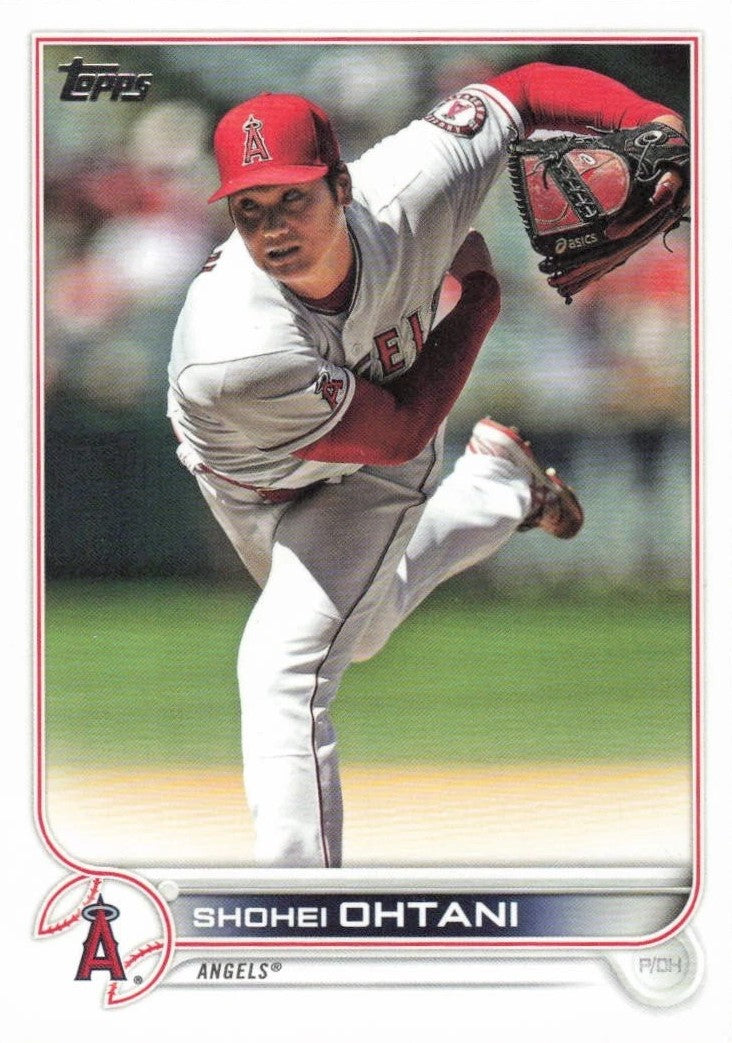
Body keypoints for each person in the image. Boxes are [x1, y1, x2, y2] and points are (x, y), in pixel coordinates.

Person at [167, 62, 686, 867]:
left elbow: (523, 92)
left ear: (342, 186)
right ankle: (494, 486)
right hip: (260, 478)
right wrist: (477, 307)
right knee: (360, 630)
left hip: (378, 462)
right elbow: (397, 429)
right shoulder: (235, 345)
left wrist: (655, 119)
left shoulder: (413, 185)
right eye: (249, 207)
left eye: (293, 197)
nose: (274, 228)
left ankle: (300, 904)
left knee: (282, 665)